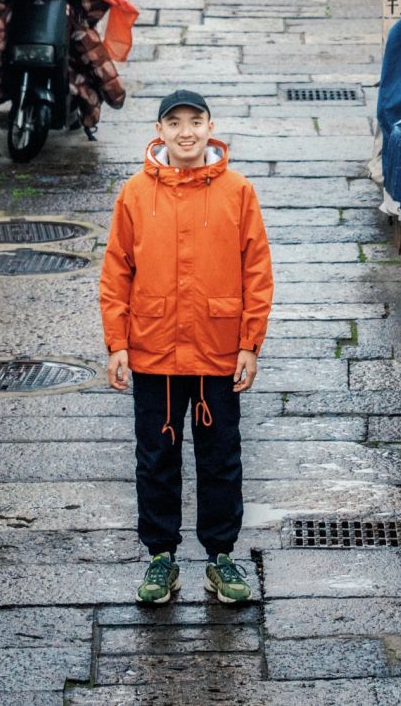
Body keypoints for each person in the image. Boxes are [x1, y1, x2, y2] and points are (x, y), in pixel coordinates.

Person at [99, 88, 273, 605]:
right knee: (156, 457)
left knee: (221, 458)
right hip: (153, 349)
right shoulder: (134, 193)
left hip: (218, 350)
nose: (185, 132)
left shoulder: (237, 191)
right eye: (174, 123)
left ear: (210, 127)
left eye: (194, 122)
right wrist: (117, 343)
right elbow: (116, 272)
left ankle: (222, 556)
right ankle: (161, 558)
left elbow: (257, 272)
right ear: (160, 132)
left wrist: (250, 343)